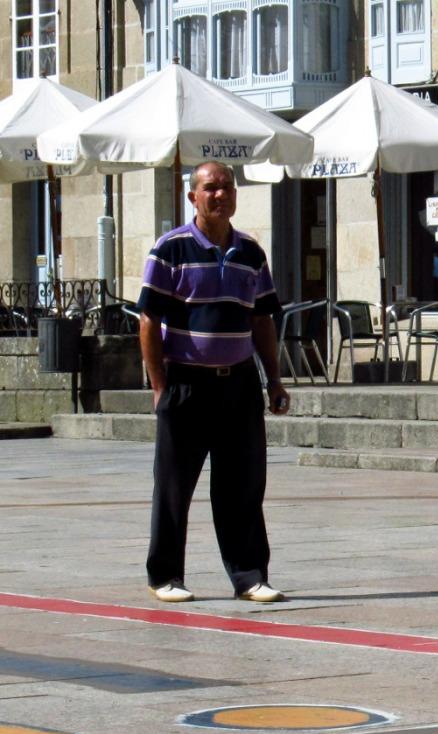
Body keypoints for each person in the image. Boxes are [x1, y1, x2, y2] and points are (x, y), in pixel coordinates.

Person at [138, 160, 289, 604]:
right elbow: (149, 321)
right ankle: (165, 575)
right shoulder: (170, 250)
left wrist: (273, 380)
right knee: (173, 486)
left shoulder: (251, 253)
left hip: (239, 384)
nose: (220, 195)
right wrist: (160, 386)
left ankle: (249, 575)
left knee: (243, 484)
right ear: (193, 197)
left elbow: (261, 319)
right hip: (186, 383)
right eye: (210, 188)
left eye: (227, 186)